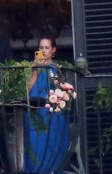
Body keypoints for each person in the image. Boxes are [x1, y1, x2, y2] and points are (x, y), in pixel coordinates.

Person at [24, 36, 69, 174]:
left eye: (47, 48)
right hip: (35, 112)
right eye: (41, 48)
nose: (43, 51)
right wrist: (36, 70)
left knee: (51, 144)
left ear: (53, 50)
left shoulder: (57, 69)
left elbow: (62, 90)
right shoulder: (34, 69)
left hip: (52, 114)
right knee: (35, 144)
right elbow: (27, 90)